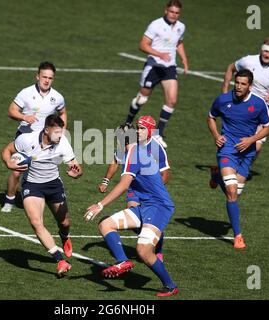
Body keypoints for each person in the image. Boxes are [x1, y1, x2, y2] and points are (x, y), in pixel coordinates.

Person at [85, 116, 179, 297]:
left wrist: (100, 204)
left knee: (143, 251)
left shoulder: (136, 152)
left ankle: (170, 285)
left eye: (142, 129)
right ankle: (122, 261)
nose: (138, 131)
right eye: (138, 128)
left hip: (158, 206)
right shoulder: (133, 150)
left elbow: (124, 185)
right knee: (105, 224)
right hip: (144, 204)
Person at [2, 115, 82, 277]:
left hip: (53, 184)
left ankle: (64, 236)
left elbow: (77, 168)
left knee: (64, 222)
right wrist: (9, 163)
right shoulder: (27, 139)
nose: (60, 135)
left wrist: (76, 173)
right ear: (46, 130)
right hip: (32, 185)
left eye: (62, 132)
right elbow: (7, 150)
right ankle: (60, 260)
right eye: (57, 132)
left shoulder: (63, 143)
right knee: (35, 222)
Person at [207, 69, 269, 249]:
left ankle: (215, 176)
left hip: (247, 152)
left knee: (236, 192)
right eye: (237, 82)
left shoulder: (258, 104)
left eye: (243, 84)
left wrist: (251, 140)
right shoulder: (223, 99)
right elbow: (211, 117)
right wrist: (215, 135)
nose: (238, 86)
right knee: (232, 192)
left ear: (249, 86)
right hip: (227, 149)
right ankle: (238, 236)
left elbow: (268, 127)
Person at [97, 122, 171, 261]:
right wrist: (106, 180)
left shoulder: (154, 146)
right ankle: (153, 238)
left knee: (144, 220)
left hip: (150, 191)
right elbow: (115, 161)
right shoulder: (125, 146)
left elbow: (166, 172)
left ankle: (157, 248)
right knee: (135, 217)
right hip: (133, 189)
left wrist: (155, 188)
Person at [2, 61, 68, 213]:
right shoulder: (26, 93)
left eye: (50, 78)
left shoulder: (57, 97)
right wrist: (24, 117)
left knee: (47, 170)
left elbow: (63, 112)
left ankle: (43, 196)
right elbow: (11, 111)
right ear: (37, 76)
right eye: (44, 77)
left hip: (45, 139)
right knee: (17, 170)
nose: (47, 80)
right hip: (25, 137)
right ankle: (9, 199)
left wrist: (61, 131)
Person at [125, 0, 189, 149]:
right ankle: (128, 122)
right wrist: (159, 54)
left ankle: (158, 133)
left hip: (169, 68)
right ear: (166, 10)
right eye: (172, 11)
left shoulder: (181, 27)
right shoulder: (155, 25)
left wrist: (184, 59)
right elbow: (142, 45)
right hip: (153, 67)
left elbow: (179, 43)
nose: (174, 15)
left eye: (177, 13)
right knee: (142, 99)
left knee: (172, 100)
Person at [221, 37, 269, 158]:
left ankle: (240, 171)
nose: (267, 55)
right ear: (261, 50)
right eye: (266, 51)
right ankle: (229, 167)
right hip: (242, 106)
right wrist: (225, 92)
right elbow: (231, 68)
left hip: (262, 110)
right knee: (235, 140)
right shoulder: (248, 61)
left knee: (256, 148)